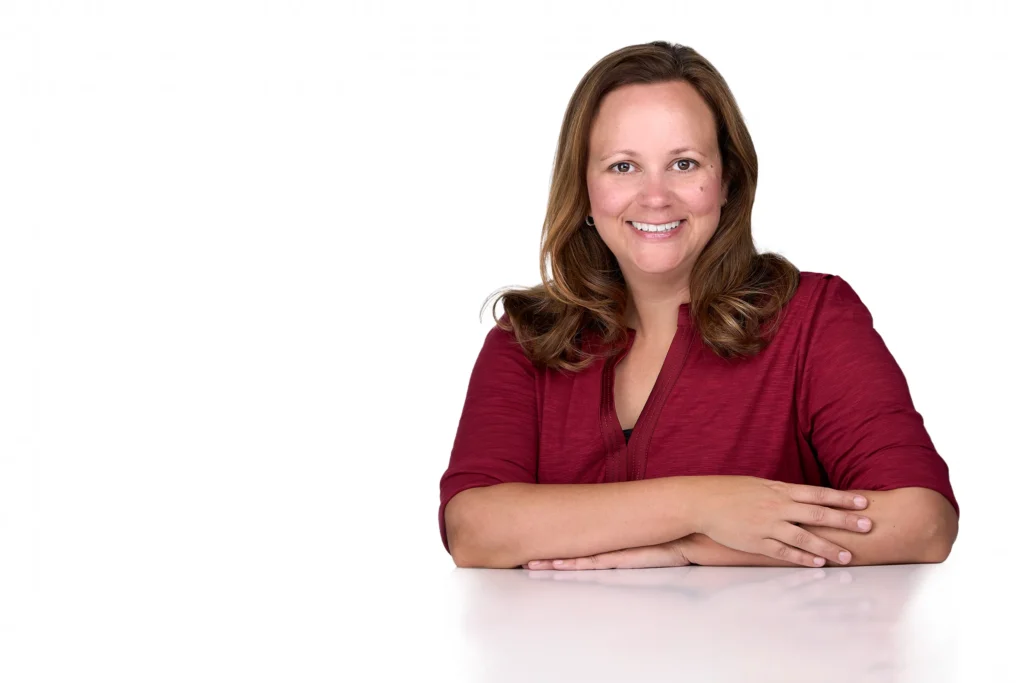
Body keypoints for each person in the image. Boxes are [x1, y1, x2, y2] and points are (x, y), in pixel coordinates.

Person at [438, 41, 959, 571]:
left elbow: (922, 521)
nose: (655, 196)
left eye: (684, 163)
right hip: (563, 656)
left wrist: (688, 548)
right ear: (584, 188)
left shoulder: (814, 318)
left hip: (761, 653)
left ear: (728, 180)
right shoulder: (526, 338)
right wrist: (705, 505)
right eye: (623, 167)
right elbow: (475, 528)